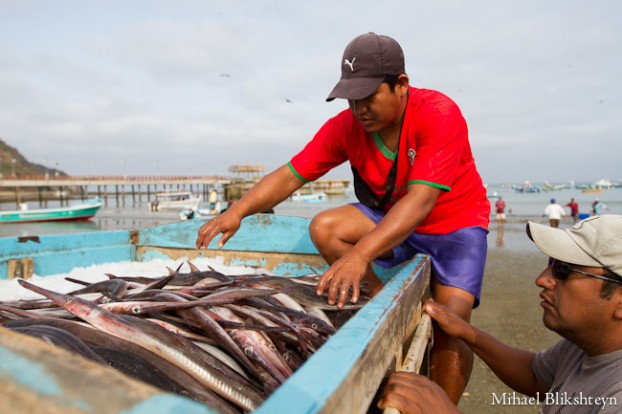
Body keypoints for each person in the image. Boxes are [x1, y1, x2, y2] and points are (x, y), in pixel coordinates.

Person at [195, 32, 490, 403]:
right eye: (352, 98)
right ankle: (387, 310)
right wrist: (236, 212)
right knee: (325, 227)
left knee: (452, 325)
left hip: (453, 227)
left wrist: (361, 255)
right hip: (391, 220)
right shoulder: (346, 127)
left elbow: (421, 201)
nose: (359, 108)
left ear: (401, 85)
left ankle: (443, 406)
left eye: (368, 96)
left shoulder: (439, 113)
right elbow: (291, 174)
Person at [378, 214, 622, 414]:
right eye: (551, 262)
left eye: (563, 270)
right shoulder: (585, 347)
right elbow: (535, 375)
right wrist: (468, 332)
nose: (542, 279)